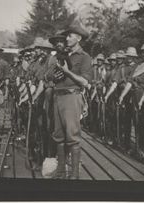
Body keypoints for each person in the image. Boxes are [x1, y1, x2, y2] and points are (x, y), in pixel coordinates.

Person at [45, 21, 92, 179]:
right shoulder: (61, 55)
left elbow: (85, 82)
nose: (66, 38)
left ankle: (74, 174)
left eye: (70, 35)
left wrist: (67, 72)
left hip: (72, 97)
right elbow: (48, 76)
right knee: (58, 135)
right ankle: (60, 171)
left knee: (72, 136)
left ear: (78, 38)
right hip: (58, 96)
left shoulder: (84, 57)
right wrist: (53, 74)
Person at [118, 43, 144, 162]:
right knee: (139, 122)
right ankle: (140, 147)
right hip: (135, 96)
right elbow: (130, 82)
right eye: (143, 52)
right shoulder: (137, 66)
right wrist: (122, 96)